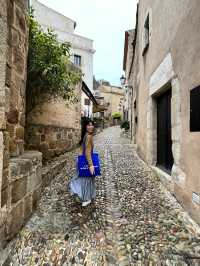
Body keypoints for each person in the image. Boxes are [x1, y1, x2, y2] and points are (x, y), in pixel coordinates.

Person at [69, 118, 96, 207]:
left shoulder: (85, 135)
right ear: (85, 126)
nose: (91, 126)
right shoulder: (89, 136)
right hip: (87, 161)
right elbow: (88, 152)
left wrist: (79, 159)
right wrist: (91, 165)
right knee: (87, 180)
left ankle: (83, 196)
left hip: (81, 160)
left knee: (82, 179)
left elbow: (82, 149)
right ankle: (86, 198)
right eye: (88, 125)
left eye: (92, 124)